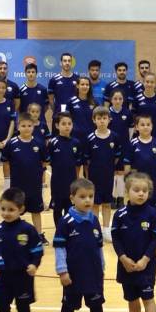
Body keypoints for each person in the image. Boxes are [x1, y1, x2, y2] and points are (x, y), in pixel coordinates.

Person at [52, 179, 107, 312]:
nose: (87, 200)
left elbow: (99, 246)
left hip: (93, 272)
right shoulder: (65, 221)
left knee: (96, 304)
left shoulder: (94, 220)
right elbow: (59, 247)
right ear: (72, 198)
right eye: (82, 197)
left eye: (90, 196)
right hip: (73, 273)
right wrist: (62, 270)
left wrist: (102, 266)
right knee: (68, 304)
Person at [111, 172, 156, 312]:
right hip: (126, 265)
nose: (141, 193)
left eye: (145, 191)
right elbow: (115, 237)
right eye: (136, 190)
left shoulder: (153, 214)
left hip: (145, 266)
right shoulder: (120, 215)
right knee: (131, 298)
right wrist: (123, 258)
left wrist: (145, 259)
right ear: (127, 192)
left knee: (148, 298)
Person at [2, 113, 50, 243]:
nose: (26, 128)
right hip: (17, 186)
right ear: (18, 127)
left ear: (33, 127)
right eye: (23, 126)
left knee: (36, 211)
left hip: (34, 185)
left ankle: (39, 235)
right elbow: (5, 162)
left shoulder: (39, 143)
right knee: (15, 210)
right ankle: (13, 234)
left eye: (29, 125)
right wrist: (8, 179)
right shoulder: (12, 144)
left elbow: (45, 161)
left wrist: (38, 173)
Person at [84, 106, 122, 242]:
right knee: (95, 204)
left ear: (109, 120)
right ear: (94, 120)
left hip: (108, 176)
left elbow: (117, 157)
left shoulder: (114, 137)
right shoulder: (90, 138)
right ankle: (96, 230)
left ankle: (106, 230)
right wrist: (88, 177)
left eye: (104, 118)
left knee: (107, 203)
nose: (102, 121)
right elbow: (87, 160)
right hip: (94, 177)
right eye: (99, 118)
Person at [122, 115, 156, 209]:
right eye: (142, 125)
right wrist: (127, 180)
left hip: (153, 180)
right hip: (137, 181)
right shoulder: (133, 144)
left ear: (152, 126)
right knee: (136, 206)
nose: (145, 127)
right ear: (137, 127)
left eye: (148, 124)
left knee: (153, 206)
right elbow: (127, 164)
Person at [47, 111, 83, 227]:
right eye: (63, 124)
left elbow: (78, 165)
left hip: (71, 183)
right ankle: (59, 231)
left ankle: (68, 231)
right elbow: (48, 161)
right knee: (57, 209)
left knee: (70, 209)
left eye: (69, 123)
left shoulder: (76, 143)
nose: (67, 126)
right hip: (57, 182)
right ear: (57, 126)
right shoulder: (53, 143)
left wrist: (76, 180)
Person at [109, 89, 133, 209]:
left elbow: (130, 130)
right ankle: (112, 197)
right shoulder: (108, 113)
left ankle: (121, 198)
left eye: (120, 99)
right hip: (111, 147)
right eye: (115, 99)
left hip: (124, 146)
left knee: (121, 173)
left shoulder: (127, 113)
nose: (117, 101)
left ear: (123, 100)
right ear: (111, 100)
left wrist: (128, 143)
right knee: (112, 172)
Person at [131, 72, 156, 141]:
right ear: (143, 83)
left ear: (155, 84)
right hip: (141, 131)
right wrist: (135, 126)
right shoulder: (137, 98)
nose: (149, 84)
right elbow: (133, 114)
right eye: (147, 82)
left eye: (152, 82)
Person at [65, 76, 97, 143]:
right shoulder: (70, 102)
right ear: (77, 86)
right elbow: (66, 119)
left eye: (87, 85)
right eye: (82, 84)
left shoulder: (94, 102)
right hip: (75, 136)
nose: (85, 86)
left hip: (91, 136)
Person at [19, 63, 50, 130]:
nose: (31, 74)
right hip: (25, 124)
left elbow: (46, 106)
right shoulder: (21, 90)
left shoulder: (43, 89)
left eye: (33, 72)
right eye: (29, 72)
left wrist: (37, 114)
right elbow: (18, 107)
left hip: (40, 122)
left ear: (36, 74)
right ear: (25, 74)